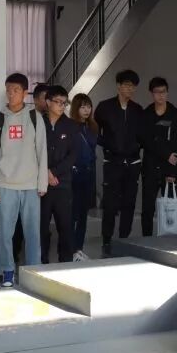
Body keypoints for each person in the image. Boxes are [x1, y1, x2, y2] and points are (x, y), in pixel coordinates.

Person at [0, 73, 47, 288]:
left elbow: (42, 151)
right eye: (8, 90)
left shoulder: (34, 117)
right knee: (6, 233)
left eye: (15, 90)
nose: (11, 94)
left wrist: (42, 183)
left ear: (24, 92)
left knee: (33, 232)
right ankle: (8, 271)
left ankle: (33, 272)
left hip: (31, 185)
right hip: (5, 185)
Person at [94, 69, 144, 256]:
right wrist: (107, 145)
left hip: (132, 162)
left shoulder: (137, 110)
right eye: (127, 85)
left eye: (133, 86)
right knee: (110, 203)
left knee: (129, 203)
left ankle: (124, 238)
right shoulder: (105, 107)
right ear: (118, 86)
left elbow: (142, 134)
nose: (130, 89)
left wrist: (136, 146)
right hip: (112, 162)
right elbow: (94, 130)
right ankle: (107, 240)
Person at [138, 77, 177, 235]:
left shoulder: (176, 114)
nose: (160, 95)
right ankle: (147, 240)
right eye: (157, 92)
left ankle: (169, 241)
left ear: (167, 92)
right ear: (152, 93)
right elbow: (146, 141)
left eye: (163, 91)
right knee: (147, 208)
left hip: (169, 167)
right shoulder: (145, 114)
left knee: (169, 208)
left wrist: (173, 171)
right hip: (150, 167)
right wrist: (166, 153)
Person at [41, 85, 76, 264]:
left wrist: (53, 172)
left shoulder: (71, 126)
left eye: (64, 103)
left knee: (65, 226)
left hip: (63, 183)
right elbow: (32, 152)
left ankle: (65, 263)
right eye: (58, 102)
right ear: (48, 102)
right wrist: (45, 173)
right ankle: (42, 262)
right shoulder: (37, 123)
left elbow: (73, 155)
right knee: (41, 226)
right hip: (41, 185)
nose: (62, 106)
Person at [69, 93, 98, 261]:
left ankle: (79, 249)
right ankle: (72, 249)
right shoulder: (70, 126)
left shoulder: (92, 126)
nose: (87, 110)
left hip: (89, 173)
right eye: (82, 107)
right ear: (76, 108)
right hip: (75, 175)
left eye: (89, 106)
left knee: (83, 215)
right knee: (73, 214)